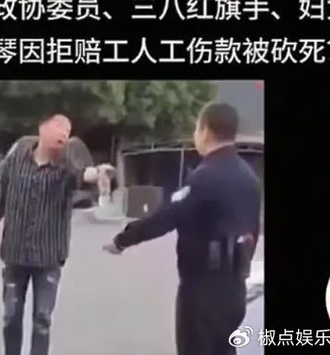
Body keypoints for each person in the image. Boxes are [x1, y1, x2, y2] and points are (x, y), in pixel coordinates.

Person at [104, 102, 262, 355]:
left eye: (197, 128)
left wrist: (124, 239)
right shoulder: (250, 179)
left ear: (206, 130)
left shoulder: (204, 177)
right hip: (235, 288)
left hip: (202, 290)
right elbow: (253, 229)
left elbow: (165, 216)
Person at [0, 113, 113, 355]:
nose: (64, 134)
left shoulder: (66, 166)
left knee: (42, 319)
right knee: (11, 316)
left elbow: (83, 174)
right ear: (42, 129)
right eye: (59, 127)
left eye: (68, 132)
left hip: (48, 258)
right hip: (15, 255)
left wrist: (100, 172)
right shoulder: (17, 159)